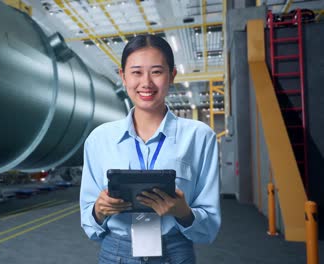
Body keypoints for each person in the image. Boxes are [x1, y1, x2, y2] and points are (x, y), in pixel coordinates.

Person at [80, 34, 221, 264]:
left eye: (156, 71)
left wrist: (183, 212)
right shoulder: (98, 140)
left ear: (172, 75)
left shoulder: (199, 137)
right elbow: (89, 223)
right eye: (136, 72)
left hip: (175, 252)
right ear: (123, 77)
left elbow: (209, 227)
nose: (146, 82)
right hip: (116, 253)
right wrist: (99, 210)